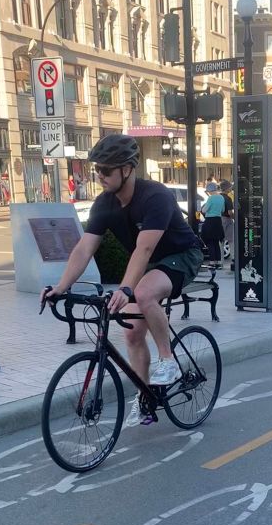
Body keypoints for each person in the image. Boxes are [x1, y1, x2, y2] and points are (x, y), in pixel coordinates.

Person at [41, 134, 204, 428]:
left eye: (106, 170)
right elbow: (84, 248)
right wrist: (60, 287)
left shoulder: (155, 196)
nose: (99, 176)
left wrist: (127, 288)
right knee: (131, 334)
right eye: (97, 170)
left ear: (127, 169)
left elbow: (144, 249)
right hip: (149, 262)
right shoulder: (104, 205)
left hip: (182, 255)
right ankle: (145, 402)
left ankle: (168, 361)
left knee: (143, 293)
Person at [200, 181, 225, 269]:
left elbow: (204, 210)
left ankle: (212, 262)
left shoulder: (211, 198)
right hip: (218, 220)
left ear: (209, 190)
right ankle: (218, 262)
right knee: (216, 242)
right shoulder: (221, 197)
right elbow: (222, 210)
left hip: (210, 220)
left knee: (210, 242)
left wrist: (203, 208)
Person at [219, 180, 234, 268]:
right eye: (230, 187)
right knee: (231, 240)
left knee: (221, 241)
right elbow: (229, 212)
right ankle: (233, 258)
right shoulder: (228, 198)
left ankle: (220, 261)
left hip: (219, 219)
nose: (231, 188)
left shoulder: (218, 197)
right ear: (227, 188)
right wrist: (235, 217)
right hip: (227, 220)